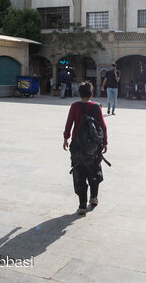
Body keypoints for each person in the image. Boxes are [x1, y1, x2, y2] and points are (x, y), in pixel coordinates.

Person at [63, 82, 108, 215]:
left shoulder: (75, 106)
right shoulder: (96, 107)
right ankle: (93, 198)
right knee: (94, 171)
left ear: (79, 94)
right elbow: (103, 126)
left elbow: (69, 123)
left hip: (77, 146)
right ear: (92, 94)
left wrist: (66, 138)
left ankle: (82, 205)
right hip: (94, 146)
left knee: (79, 173)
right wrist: (105, 142)